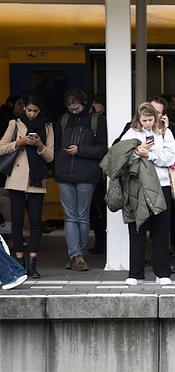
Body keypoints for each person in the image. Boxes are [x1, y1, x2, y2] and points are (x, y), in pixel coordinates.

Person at [116, 102, 175, 285]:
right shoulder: (132, 132)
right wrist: (136, 152)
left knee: (161, 229)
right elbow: (120, 155)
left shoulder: (165, 132)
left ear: (156, 117)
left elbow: (171, 157)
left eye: (150, 119)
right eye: (144, 120)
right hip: (138, 185)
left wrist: (149, 154)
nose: (148, 123)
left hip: (161, 184)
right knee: (137, 229)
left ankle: (162, 272)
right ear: (138, 119)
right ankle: (135, 274)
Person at [0, 95, 54, 278]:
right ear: (24, 109)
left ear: (40, 111)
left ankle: (32, 263)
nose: (32, 114)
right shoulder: (14, 124)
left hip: (37, 180)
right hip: (16, 179)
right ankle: (19, 261)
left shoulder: (47, 126)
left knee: (36, 221)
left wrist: (39, 144)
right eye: (29, 110)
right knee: (16, 221)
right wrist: (18, 143)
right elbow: (1, 148)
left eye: (35, 111)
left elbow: (50, 156)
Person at [55, 89, 107, 271]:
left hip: (87, 175)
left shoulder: (97, 121)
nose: (73, 110)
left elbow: (103, 149)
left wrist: (80, 150)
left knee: (82, 216)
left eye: (76, 107)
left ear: (84, 104)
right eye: (69, 107)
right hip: (64, 175)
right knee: (71, 216)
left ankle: (77, 254)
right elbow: (56, 148)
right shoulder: (62, 120)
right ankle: (75, 255)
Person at [89, 93, 107, 255]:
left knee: (97, 210)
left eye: (95, 105)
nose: (93, 108)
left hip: (99, 172)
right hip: (101, 172)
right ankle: (102, 242)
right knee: (100, 209)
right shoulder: (96, 121)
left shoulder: (97, 121)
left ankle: (101, 242)